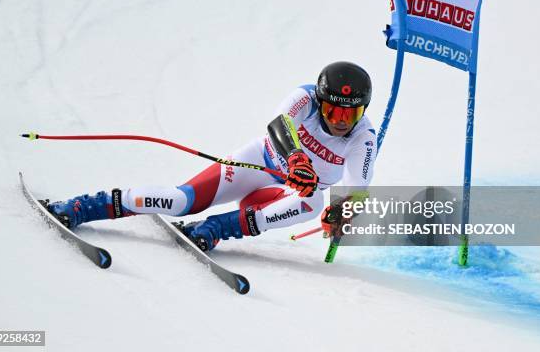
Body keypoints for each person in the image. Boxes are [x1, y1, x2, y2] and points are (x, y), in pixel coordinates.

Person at [46, 61, 378, 251]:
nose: (338, 121)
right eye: (332, 110)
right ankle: (84, 206)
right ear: (321, 102)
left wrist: (340, 214)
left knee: (313, 204)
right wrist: (294, 158)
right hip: (259, 163)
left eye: (349, 115)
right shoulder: (305, 96)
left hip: (283, 195)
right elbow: (278, 123)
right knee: (179, 201)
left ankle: (216, 228)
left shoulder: (363, 137)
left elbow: (355, 189)